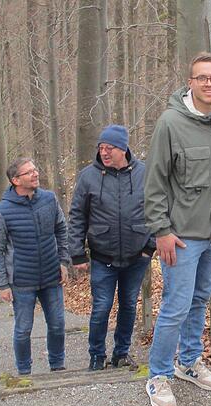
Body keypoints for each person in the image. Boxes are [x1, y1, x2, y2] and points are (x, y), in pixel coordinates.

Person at [143, 52, 211, 406]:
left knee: (200, 299)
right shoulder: (171, 123)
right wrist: (161, 231)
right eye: (202, 77)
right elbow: (154, 183)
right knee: (176, 305)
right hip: (182, 236)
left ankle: (188, 362)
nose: (209, 83)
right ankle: (158, 375)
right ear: (190, 82)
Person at [68, 124, 155, 371]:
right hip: (102, 256)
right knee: (102, 307)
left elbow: (160, 210)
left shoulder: (144, 174)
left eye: (110, 148)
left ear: (123, 148)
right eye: (101, 147)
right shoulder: (88, 176)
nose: (104, 152)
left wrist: (150, 246)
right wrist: (76, 253)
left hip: (137, 256)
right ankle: (96, 356)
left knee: (128, 305)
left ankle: (121, 353)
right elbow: (76, 216)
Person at [0, 157, 70, 375]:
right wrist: (3, 284)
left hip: (51, 276)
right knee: (23, 329)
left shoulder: (49, 199)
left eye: (35, 169)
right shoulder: (3, 210)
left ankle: (58, 366)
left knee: (57, 325)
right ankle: (24, 372)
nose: (35, 174)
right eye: (29, 172)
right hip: (22, 282)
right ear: (16, 180)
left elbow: (62, 231)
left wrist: (64, 262)